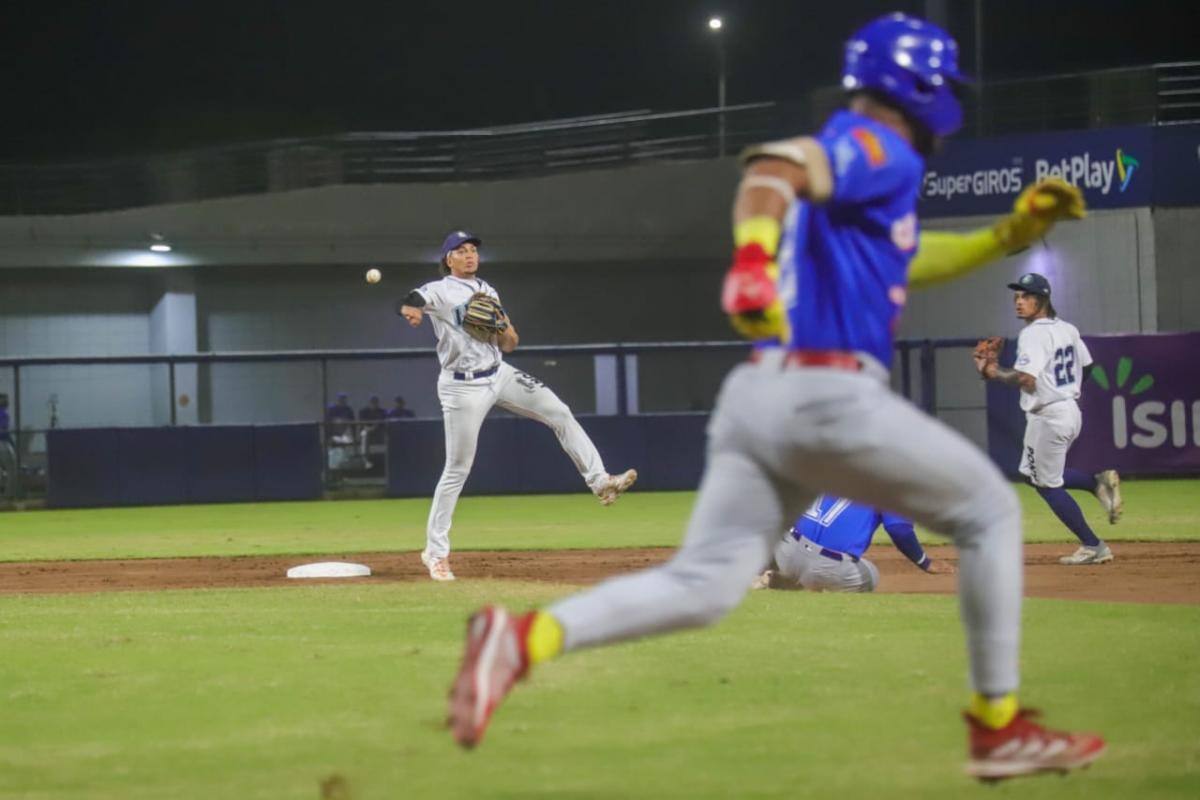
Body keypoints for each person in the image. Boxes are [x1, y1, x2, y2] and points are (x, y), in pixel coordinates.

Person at [444, 14, 1106, 781]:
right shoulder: (878, 143)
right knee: (990, 509)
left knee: (702, 585)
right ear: (919, 88)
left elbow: (906, 257)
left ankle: (519, 642)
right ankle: (997, 728)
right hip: (828, 390)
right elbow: (773, 168)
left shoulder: (868, 180)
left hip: (760, 394)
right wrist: (753, 261)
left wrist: (1003, 237)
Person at [398, 230, 637, 582]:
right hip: (462, 387)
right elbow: (413, 298)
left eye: (473, 250)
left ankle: (599, 481)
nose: (469, 255)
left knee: (560, 412)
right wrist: (411, 310)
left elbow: (510, 343)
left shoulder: (488, 290)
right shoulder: (441, 290)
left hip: (500, 373)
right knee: (457, 469)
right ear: (449, 259)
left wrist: (503, 328)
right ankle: (435, 554)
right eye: (461, 251)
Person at [976, 272, 1122, 566]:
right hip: (1069, 411)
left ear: (1042, 299)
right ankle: (1096, 483)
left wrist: (992, 371)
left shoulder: (1033, 334)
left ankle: (1093, 545)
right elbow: (1087, 367)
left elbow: (1026, 379)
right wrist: (1066, 391)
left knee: (1046, 485)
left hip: (1049, 417)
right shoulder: (1067, 328)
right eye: (1017, 296)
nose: (1019, 302)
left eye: (1027, 296)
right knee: (1034, 475)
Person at [753, 495, 954, 592]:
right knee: (871, 574)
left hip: (786, 552)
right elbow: (898, 529)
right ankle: (810, 585)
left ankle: (769, 574)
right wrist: (924, 562)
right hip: (827, 569)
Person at [0, 393, 15, 499]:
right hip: (3, 444)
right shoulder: (3, 413)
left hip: (3, 443)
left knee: (2, 471)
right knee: (12, 470)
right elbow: (3, 430)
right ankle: (7, 496)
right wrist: (12, 443)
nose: (7, 401)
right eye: (4, 400)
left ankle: (3, 494)